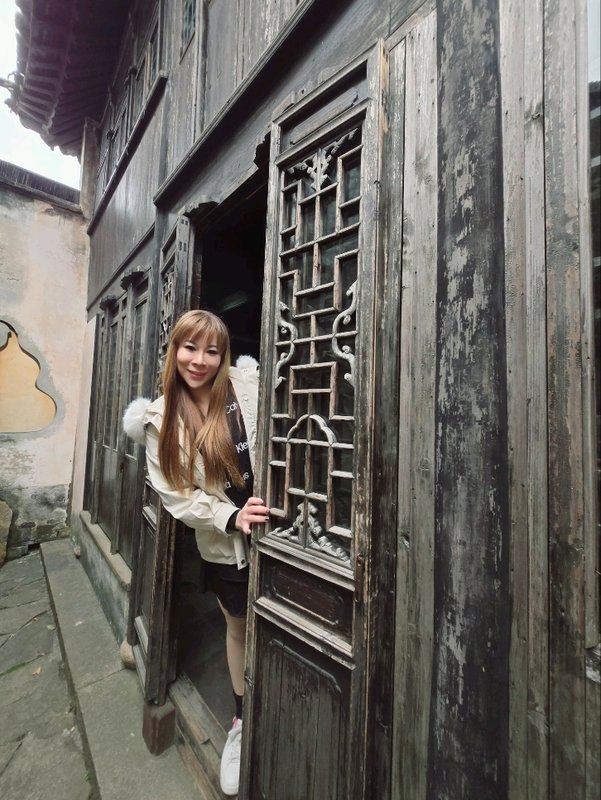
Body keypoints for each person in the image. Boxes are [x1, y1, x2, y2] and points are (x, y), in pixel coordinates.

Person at [123, 309, 268, 796]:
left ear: (223, 355)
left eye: (211, 350)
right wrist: (231, 517)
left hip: (283, 530)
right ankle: (242, 719)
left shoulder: (248, 387)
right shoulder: (160, 418)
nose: (199, 361)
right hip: (228, 544)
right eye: (190, 348)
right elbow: (176, 496)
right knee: (238, 626)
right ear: (175, 351)